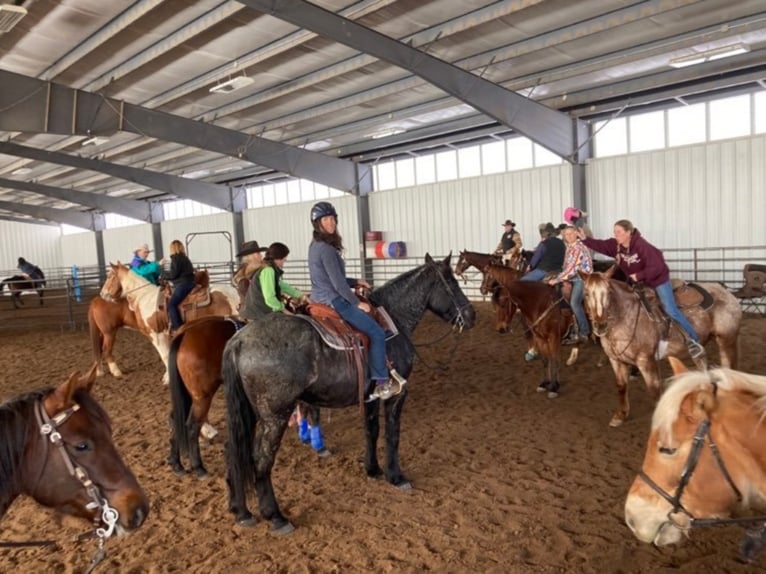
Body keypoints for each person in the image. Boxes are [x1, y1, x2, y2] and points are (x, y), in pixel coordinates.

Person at [308, 201, 404, 402]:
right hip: (333, 299)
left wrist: (356, 281)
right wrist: (355, 302)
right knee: (377, 332)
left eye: (332, 218)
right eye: (326, 219)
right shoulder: (326, 249)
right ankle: (380, 382)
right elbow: (337, 284)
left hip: (319, 296)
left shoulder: (316, 246)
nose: (331, 222)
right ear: (318, 224)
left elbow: (331, 277)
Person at [579, 219, 706, 359]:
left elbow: (658, 266)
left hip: (657, 281)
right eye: (614, 232)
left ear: (629, 232)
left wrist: (639, 275)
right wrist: (586, 240)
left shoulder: (642, 246)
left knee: (670, 309)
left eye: (619, 232)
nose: (616, 235)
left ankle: (693, 340)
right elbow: (602, 245)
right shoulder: (617, 245)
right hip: (639, 283)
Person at [548, 226, 593, 344]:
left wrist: (557, 279)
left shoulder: (579, 248)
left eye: (571, 234)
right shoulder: (569, 248)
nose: (568, 236)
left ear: (577, 234)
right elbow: (566, 267)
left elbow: (573, 269)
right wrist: (560, 277)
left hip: (582, 279)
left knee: (574, 302)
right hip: (573, 278)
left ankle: (584, 331)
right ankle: (569, 326)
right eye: (566, 234)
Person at [241, 241, 307, 319]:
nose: (261, 255)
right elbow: (269, 298)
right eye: (258, 253)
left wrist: (300, 295)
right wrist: (284, 310)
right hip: (260, 313)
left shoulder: (266, 269)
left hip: (255, 310)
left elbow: (281, 285)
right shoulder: (268, 270)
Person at [161, 240, 195, 334]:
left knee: (171, 305)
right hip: (190, 282)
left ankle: (178, 327)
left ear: (172, 248)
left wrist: (162, 272)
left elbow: (173, 275)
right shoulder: (185, 257)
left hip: (183, 284)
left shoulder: (176, 258)